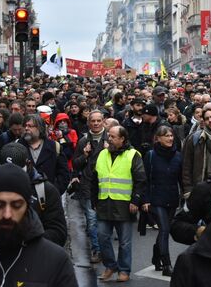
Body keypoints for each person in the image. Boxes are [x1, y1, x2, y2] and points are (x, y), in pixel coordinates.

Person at [91, 125, 146, 282]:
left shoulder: (133, 155)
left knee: (124, 242)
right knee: (102, 236)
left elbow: (141, 180)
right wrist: (94, 199)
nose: (110, 139)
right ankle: (110, 265)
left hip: (124, 204)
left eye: (113, 137)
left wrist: (135, 200)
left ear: (122, 139)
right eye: (109, 136)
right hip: (104, 203)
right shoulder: (102, 154)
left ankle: (124, 270)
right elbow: (95, 178)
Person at [0, 142, 67, 246]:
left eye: (17, 172)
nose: (12, 178)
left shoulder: (46, 190)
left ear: (28, 164)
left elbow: (58, 233)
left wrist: (27, 239)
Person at [142, 125, 182, 276]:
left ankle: (156, 255)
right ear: (158, 138)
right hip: (155, 199)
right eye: (166, 136)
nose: (170, 138)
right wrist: (144, 200)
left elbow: (181, 179)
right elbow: (144, 179)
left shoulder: (178, 156)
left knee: (165, 230)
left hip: (172, 199)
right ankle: (167, 265)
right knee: (164, 229)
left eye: (171, 135)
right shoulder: (150, 155)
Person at [72, 110, 107, 263]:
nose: (96, 123)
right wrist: (85, 155)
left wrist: (109, 151)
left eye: (99, 120)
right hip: (88, 184)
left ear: (103, 121)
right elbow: (75, 164)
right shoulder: (83, 141)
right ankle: (97, 250)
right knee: (92, 219)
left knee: (104, 220)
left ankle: (106, 249)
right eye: (93, 121)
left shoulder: (111, 138)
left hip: (107, 184)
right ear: (88, 123)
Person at [18, 114, 70, 195]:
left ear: (39, 128)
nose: (26, 128)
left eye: (30, 126)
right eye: (25, 126)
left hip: (48, 197)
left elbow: (64, 174)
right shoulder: (17, 146)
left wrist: (54, 192)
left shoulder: (54, 147)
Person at [182, 106, 211, 196]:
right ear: (204, 121)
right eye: (207, 118)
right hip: (200, 186)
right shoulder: (195, 139)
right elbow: (186, 166)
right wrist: (188, 190)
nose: (210, 120)